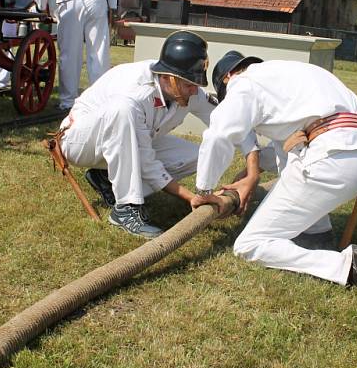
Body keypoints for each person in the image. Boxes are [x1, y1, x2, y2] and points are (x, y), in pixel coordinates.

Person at [191, 52, 357, 296]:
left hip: (333, 158)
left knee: (249, 245)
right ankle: (319, 240)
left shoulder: (243, 83)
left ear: (227, 78)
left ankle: (345, 266)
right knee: (296, 180)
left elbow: (219, 134)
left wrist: (204, 191)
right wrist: (250, 173)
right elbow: (283, 155)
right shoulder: (293, 76)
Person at [57, 31, 257, 239]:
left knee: (198, 155)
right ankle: (125, 209)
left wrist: (253, 171)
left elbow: (230, 121)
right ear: (170, 78)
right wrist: (192, 197)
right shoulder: (135, 92)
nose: (193, 90)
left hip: (122, 140)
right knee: (123, 109)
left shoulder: (188, 88)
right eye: (189, 84)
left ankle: (106, 177)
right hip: (78, 141)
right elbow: (147, 162)